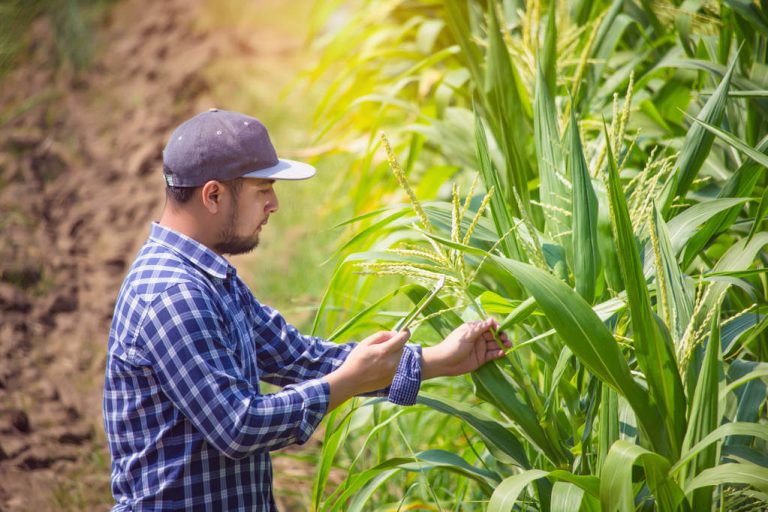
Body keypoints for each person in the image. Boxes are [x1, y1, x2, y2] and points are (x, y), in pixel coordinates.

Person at [103, 108, 510, 511]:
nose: (274, 204)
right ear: (213, 195)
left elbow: (298, 358)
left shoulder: (209, 278)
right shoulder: (174, 295)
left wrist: (438, 359)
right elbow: (238, 427)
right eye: (263, 189)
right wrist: (345, 383)